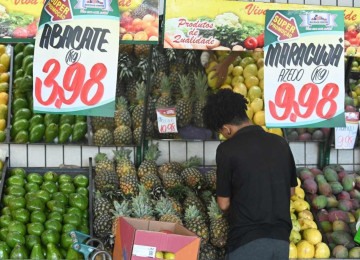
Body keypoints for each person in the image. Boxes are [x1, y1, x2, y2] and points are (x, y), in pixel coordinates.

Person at [202, 89, 297, 260]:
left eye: (222, 132)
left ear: (226, 129)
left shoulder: (227, 150)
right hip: (281, 241)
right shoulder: (281, 143)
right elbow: (291, 191)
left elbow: (223, 204)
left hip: (246, 242)